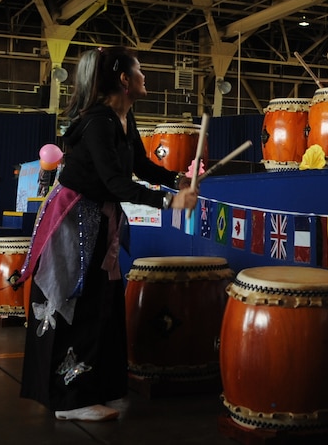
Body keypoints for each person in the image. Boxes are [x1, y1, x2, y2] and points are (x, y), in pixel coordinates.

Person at [18, 46, 199, 422]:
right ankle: (70, 400)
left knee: (103, 302)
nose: (145, 77)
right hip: (74, 221)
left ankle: (97, 386)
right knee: (77, 302)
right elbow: (116, 182)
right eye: (140, 70)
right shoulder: (99, 121)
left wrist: (175, 180)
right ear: (123, 79)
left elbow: (140, 166)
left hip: (99, 219)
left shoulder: (124, 118)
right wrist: (169, 204)